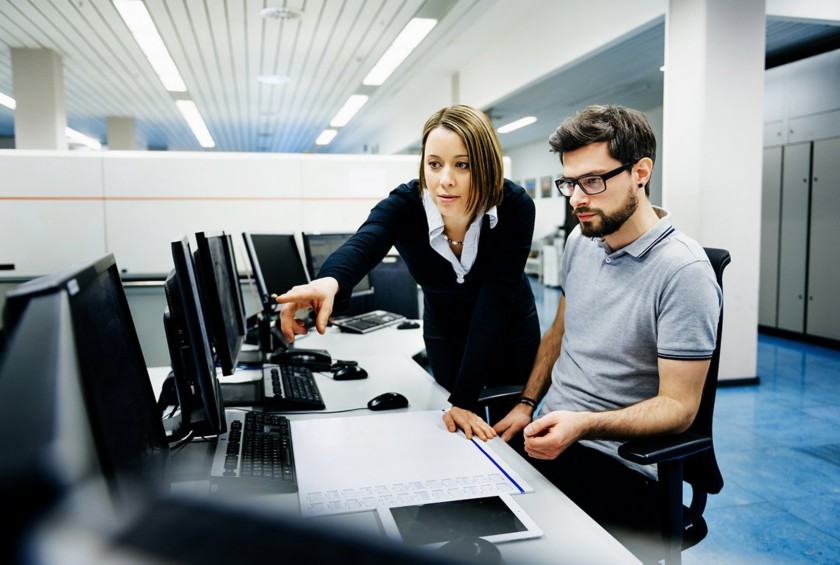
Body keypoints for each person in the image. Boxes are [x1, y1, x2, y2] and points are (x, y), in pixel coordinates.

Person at [493, 105, 722, 548]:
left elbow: (679, 407)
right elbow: (559, 334)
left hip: (625, 466)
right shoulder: (583, 239)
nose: (577, 198)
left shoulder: (684, 272)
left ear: (640, 171)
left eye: (593, 181)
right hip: (550, 436)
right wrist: (526, 404)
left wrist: (583, 425)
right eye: (569, 183)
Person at [276, 104, 541, 440]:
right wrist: (329, 281)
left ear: (486, 165)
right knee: (455, 430)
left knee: (507, 433)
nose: (445, 180)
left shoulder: (514, 206)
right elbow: (365, 241)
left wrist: (465, 398)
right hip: (444, 329)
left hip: (507, 329)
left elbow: (495, 302)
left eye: (463, 165)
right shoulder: (405, 205)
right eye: (434, 164)